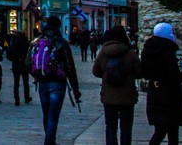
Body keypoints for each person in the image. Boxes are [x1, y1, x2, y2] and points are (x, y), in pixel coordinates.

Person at [141, 22, 182, 145]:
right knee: (171, 131)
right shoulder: (167, 51)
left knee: (159, 130)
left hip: (154, 91)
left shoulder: (148, 50)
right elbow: (173, 78)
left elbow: (144, 73)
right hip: (169, 96)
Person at [29, 16, 80, 145]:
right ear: (58, 26)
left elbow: (27, 63)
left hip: (43, 83)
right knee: (53, 115)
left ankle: (50, 141)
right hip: (57, 82)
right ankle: (49, 142)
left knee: (46, 114)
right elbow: (70, 67)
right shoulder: (61, 42)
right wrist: (75, 88)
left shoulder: (36, 41)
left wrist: (38, 74)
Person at [92, 26, 144, 145]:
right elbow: (139, 72)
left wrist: (106, 75)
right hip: (127, 96)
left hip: (109, 95)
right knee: (126, 127)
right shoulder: (130, 53)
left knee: (110, 126)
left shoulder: (103, 52)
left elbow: (95, 71)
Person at [8, 29, 32, 105]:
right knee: (26, 82)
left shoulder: (14, 43)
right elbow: (30, 54)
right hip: (24, 65)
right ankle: (27, 97)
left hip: (16, 65)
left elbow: (9, 55)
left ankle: (17, 99)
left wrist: (14, 59)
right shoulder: (26, 43)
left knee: (16, 83)